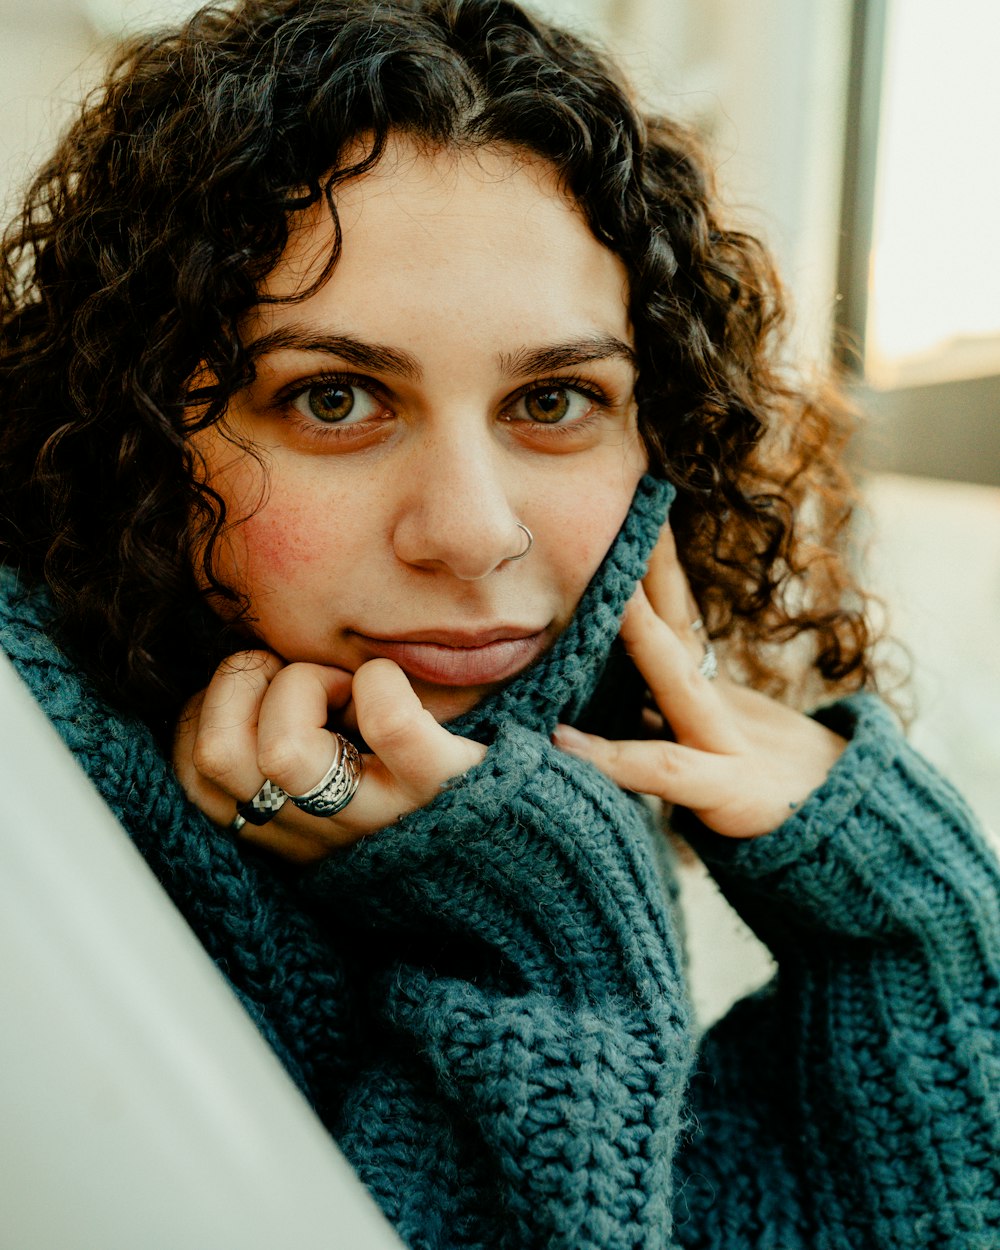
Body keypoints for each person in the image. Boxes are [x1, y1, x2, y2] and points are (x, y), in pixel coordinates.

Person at [0, 0, 996, 1245]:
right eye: (333, 395)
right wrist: (541, 938)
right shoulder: (35, 804)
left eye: (555, 397)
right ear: (135, 434)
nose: (473, 532)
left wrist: (909, 926)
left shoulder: (548, 760)